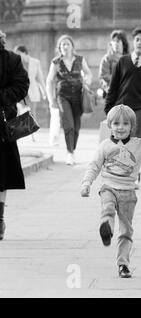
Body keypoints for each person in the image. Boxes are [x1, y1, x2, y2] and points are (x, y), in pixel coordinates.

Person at [81, 104, 141, 278]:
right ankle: (106, 227)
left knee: (126, 231)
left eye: (125, 124)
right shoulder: (105, 146)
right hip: (109, 187)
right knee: (107, 208)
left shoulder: (140, 144)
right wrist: (87, 183)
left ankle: (123, 264)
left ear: (132, 126)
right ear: (109, 126)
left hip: (128, 193)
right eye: (116, 124)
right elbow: (94, 166)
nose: (120, 127)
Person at [0, 30, 30, 241]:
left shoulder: (11, 59)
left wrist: (1, 97)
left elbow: (21, 85)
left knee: (1, 175)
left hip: (1, 125)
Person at [46, 34, 93, 165]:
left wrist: (87, 83)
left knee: (77, 127)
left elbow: (88, 73)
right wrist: (51, 100)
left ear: (72, 46)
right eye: (63, 44)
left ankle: (73, 150)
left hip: (79, 96)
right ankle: (70, 153)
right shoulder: (56, 62)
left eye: (68, 44)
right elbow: (49, 81)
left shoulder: (80, 59)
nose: (65, 46)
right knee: (69, 125)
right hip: (63, 97)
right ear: (59, 48)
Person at [13, 45, 47, 122]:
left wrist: (44, 91)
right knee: (18, 112)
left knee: (32, 112)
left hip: (32, 91)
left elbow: (40, 78)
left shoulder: (36, 62)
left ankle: (32, 132)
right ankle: (20, 130)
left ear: (24, 53)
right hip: (20, 91)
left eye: (19, 53)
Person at [99, 30, 129, 97]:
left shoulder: (130, 58)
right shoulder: (106, 59)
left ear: (123, 43)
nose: (115, 43)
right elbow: (104, 76)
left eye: (118, 41)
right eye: (114, 41)